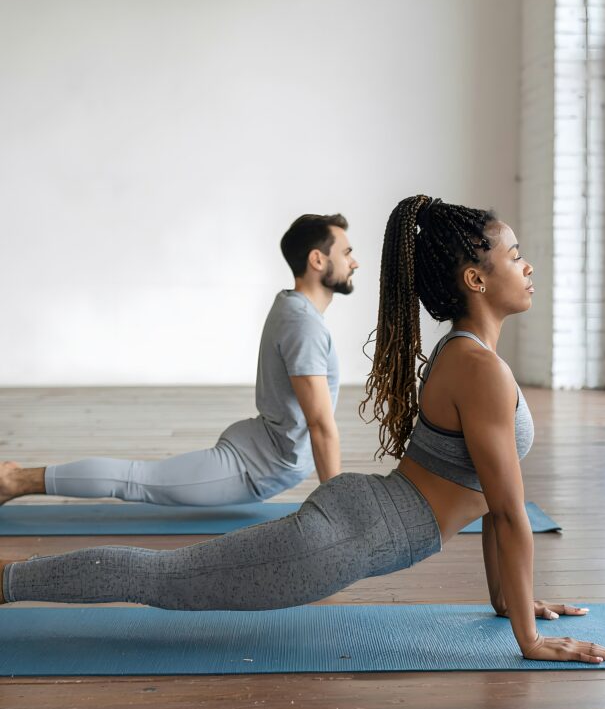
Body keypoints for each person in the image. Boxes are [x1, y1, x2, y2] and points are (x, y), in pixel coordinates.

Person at [0, 196, 605, 664]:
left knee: (165, 573)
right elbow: (511, 514)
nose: (527, 265)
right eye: (514, 255)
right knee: (163, 577)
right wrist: (530, 640)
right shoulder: (477, 367)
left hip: (362, 518)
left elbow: (491, 504)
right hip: (343, 540)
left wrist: (511, 603)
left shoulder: (475, 359)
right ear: (476, 279)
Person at [0, 213, 358, 507]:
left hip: (261, 454)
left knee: (139, 480)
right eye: (346, 253)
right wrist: (337, 509)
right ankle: (13, 481)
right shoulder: (304, 324)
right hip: (251, 467)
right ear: (317, 259)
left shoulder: (293, 307)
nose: (354, 262)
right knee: (136, 481)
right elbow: (320, 424)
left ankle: (13, 478)